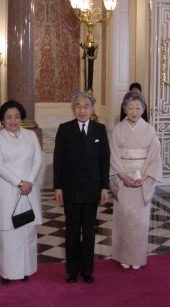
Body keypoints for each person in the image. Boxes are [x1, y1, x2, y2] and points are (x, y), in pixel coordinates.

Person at [0, 100, 42, 285]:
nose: (13, 121)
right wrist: (19, 182)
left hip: (29, 189)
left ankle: (25, 270)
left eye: (16, 116)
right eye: (8, 117)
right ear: (2, 120)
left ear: (21, 117)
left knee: (27, 231)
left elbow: (38, 159)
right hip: (5, 192)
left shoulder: (30, 135)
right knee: (7, 233)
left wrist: (29, 181)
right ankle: (6, 272)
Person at [53, 91, 110, 284]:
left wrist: (104, 187)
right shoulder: (65, 129)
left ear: (92, 109)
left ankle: (87, 270)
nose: (82, 110)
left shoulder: (99, 130)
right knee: (71, 232)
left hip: (92, 190)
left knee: (89, 232)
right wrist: (57, 186)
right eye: (78, 106)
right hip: (70, 190)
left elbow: (104, 160)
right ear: (72, 109)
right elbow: (58, 160)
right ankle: (71, 270)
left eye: (86, 106)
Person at [109, 90, 162, 269]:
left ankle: (137, 257)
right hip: (123, 179)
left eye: (137, 108)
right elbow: (113, 156)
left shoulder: (149, 130)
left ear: (143, 109)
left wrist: (145, 176)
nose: (134, 111)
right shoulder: (118, 129)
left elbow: (154, 156)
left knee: (140, 222)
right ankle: (124, 255)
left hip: (141, 180)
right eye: (130, 108)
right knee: (124, 219)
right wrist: (123, 176)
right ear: (124, 108)